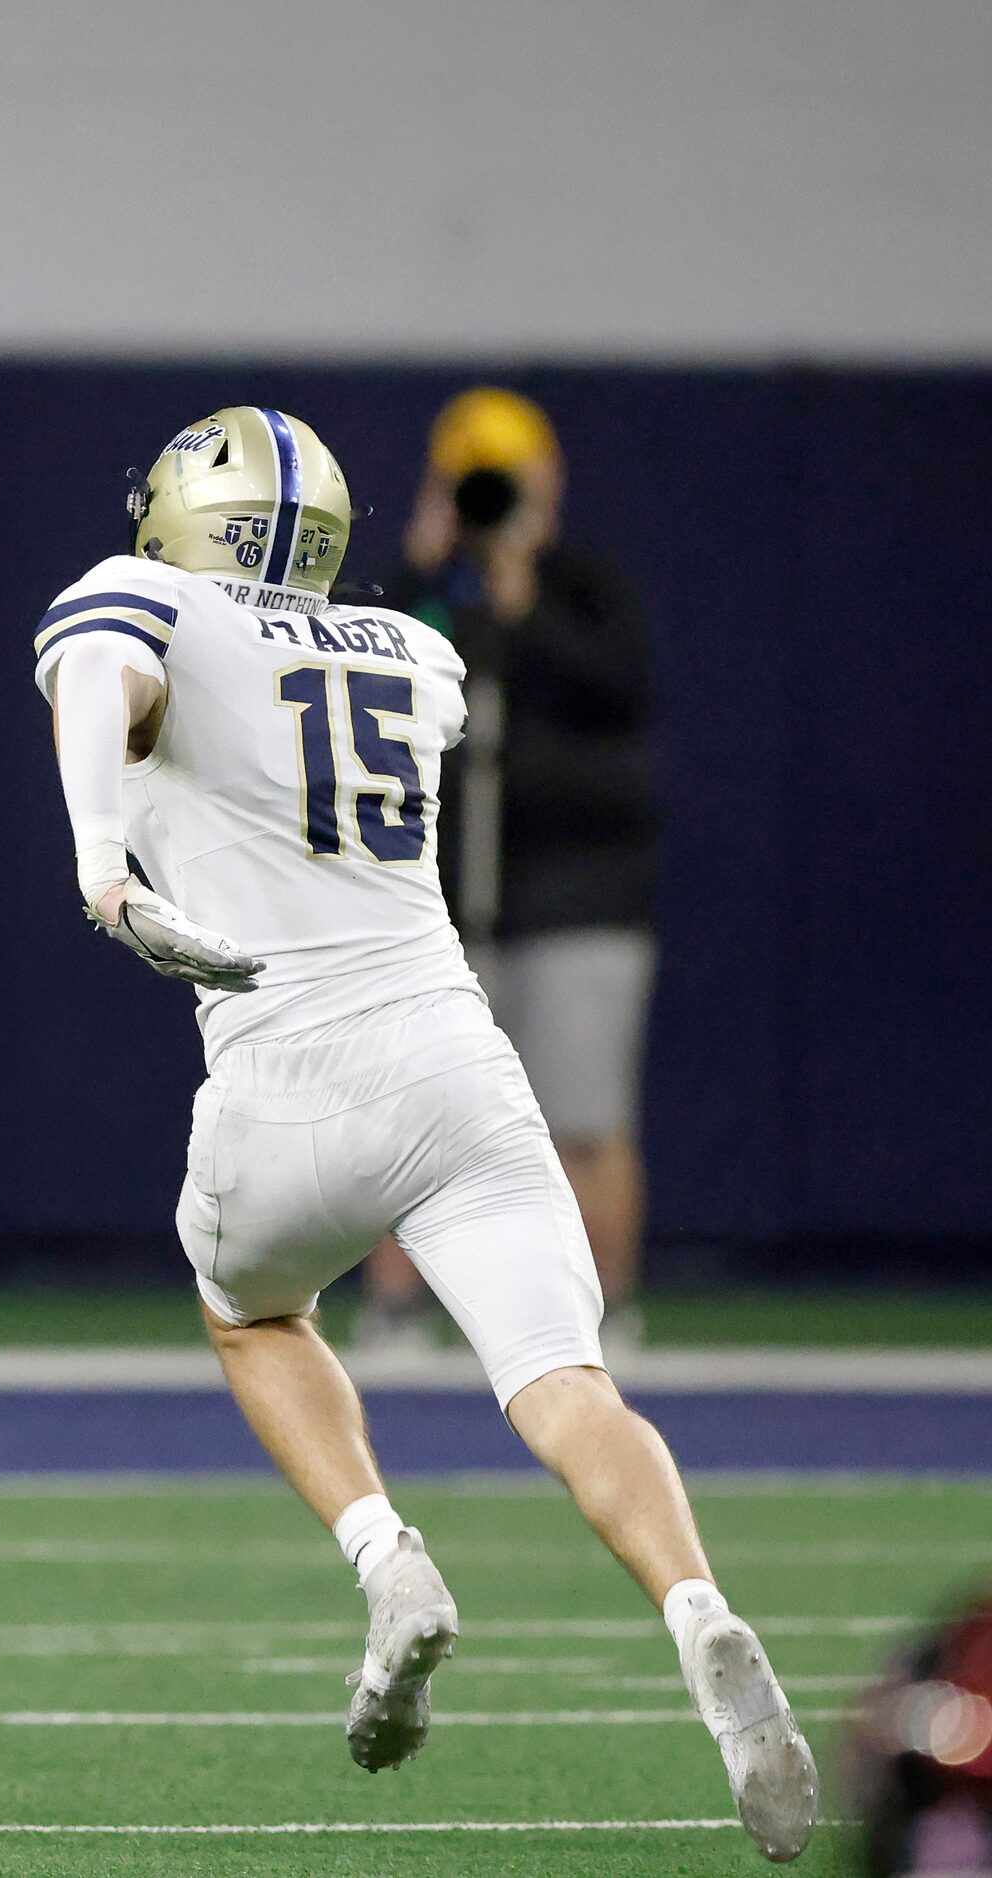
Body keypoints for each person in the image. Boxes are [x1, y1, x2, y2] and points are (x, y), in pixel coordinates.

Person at [31, 405, 814, 1860]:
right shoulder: (419, 652)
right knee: (569, 1384)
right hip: (457, 1062)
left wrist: (101, 868)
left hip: (282, 1072)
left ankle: (386, 1557)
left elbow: (98, 671)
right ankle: (698, 1605)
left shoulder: (140, 598)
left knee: (250, 1313)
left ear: (192, 515)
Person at [357, 388, 658, 1352]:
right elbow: (352, 686)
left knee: (582, 1119)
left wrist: (526, 597)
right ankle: (398, 1311)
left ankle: (605, 1315)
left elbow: (623, 695)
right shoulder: (420, 597)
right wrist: (421, 562)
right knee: (411, 1119)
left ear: (547, 479)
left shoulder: (587, 592)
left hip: (574, 898)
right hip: (437, 906)